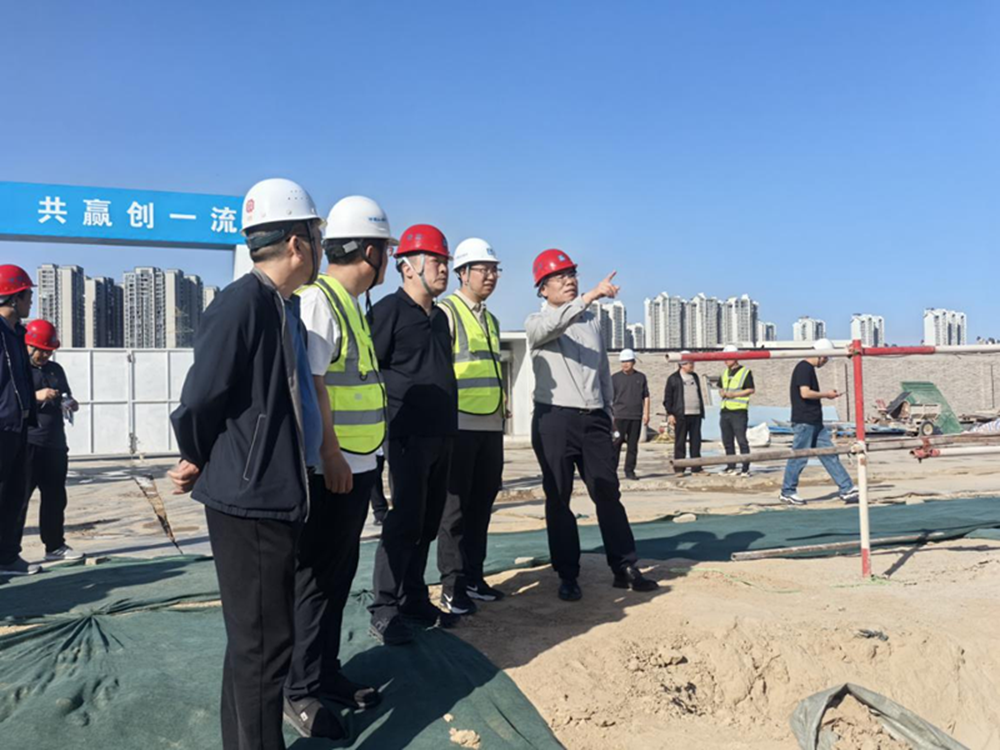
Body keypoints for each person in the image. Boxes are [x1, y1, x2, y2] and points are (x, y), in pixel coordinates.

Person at [169, 178, 326, 750]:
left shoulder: (282, 306)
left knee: (252, 642)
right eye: (317, 237)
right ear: (297, 243)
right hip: (250, 497)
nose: (321, 248)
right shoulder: (242, 304)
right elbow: (200, 398)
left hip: (268, 490)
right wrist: (197, 454)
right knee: (264, 647)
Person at [284, 196, 394, 738]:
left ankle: (325, 672)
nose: (388, 258)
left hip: (359, 462)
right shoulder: (319, 301)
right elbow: (313, 386)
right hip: (331, 469)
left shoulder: (351, 304)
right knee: (315, 580)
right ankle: (298, 689)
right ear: (371, 250)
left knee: (338, 575)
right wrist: (329, 454)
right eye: (386, 249)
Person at [526, 249, 658, 602]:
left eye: (572, 274)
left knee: (607, 491)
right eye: (560, 277)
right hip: (555, 419)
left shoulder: (591, 322)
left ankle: (625, 566)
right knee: (559, 497)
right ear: (543, 289)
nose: (569, 281)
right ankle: (567, 574)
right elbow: (555, 325)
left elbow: (601, 370)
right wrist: (590, 296)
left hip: (595, 418)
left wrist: (607, 411)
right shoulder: (536, 323)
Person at [367, 223, 459, 645]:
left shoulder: (440, 318)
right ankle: (384, 609)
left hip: (442, 434)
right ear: (407, 267)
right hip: (406, 435)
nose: (443, 269)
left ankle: (414, 598)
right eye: (435, 261)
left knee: (428, 521)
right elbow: (369, 370)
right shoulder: (388, 311)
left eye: (445, 262)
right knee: (403, 521)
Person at [436, 238, 506, 616]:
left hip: (491, 426)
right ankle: (452, 585)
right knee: (455, 510)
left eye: (495, 269)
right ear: (462, 273)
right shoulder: (446, 312)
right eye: (484, 269)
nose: (491, 276)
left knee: (481, 506)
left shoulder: (491, 320)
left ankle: (474, 577)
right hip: (459, 425)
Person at [24, 319, 82, 563]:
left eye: (49, 351)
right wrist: (35, 396)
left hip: (54, 443)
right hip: (27, 444)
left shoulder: (55, 370)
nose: (45, 356)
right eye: (41, 351)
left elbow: (65, 395)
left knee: (55, 498)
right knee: (17, 500)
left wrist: (69, 403)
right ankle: (7, 552)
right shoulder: (17, 369)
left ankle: (54, 545)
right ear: (28, 346)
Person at [779, 338, 859, 506]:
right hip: (805, 420)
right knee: (799, 457)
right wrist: (826, 395)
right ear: (821, 355)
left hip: (814, 421)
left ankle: (847, 488)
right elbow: (805, 393)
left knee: (829, 454)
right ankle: (788, 491)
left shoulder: (808, 369)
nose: (826, 361)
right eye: (826, 358)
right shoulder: (804, 368)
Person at [0, 265, 40, 577]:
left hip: (20, 426)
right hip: (2, 427)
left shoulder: (17, 333)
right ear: (14, 298)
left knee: (15, 494)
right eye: (28, 296)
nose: (31, 302)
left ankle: (8, 556)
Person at [611, 348, 649, 481]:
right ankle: (612, 471)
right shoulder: (615, 378)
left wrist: (646, 413)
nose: (625, 364)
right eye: (623, 362)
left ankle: (630, 471)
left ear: (633, 362)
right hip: (619, 416)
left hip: (635, 416)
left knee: (632, 446)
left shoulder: (640, 377)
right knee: (616, 444)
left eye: (627, 361)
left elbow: (646, 396)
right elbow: (610, 398)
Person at [664, 352, 704, 476]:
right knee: (680, 442)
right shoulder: (673, 379)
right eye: (689, 363)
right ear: (682, 365)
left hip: (695, 414)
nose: (692, 365)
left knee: (696, 442)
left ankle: (696, 468)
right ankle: (679, 468)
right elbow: (668, 398)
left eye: (692, 363)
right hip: (681, 415)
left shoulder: (695, 377)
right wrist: (670, 413)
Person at [718, 344, 755, 477]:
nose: (725, 361)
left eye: (727, 358)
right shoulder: (725, 373)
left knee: (741, 440)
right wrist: (722, 393)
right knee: (727, 440)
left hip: (739, 411)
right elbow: (720, 387)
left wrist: (734, 395)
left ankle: (745, 468)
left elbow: (751, 389)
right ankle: (731, 466)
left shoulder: (745, 372)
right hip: (725, 410)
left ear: (735, 357)